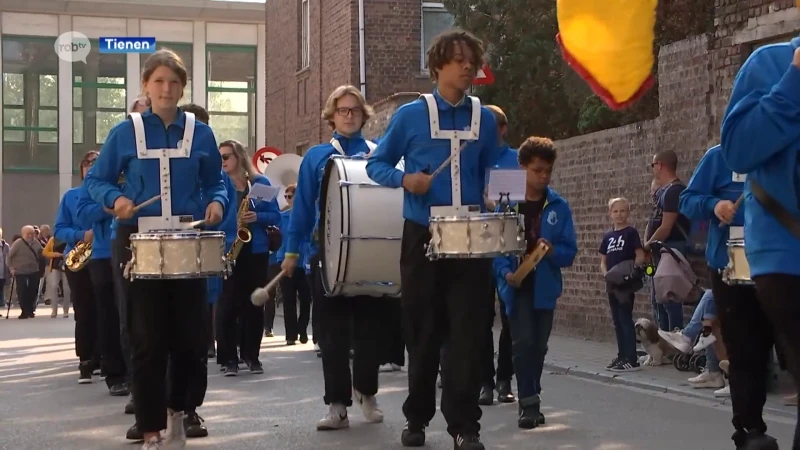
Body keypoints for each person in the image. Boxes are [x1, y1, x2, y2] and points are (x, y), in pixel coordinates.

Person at [83, 48, 227, 450]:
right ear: (146, 85)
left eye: (174, 82)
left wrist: (218, 203)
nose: (166, 89)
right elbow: (96, 179)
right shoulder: (124, 132)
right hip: (136, 239)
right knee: (145, 336)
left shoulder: (201, 133)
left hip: (186, 238)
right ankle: (149, 428)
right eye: (159, 81)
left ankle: (179, 412)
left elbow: (216, 181)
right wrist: (116, 199)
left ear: (183, 87)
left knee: (191, 337)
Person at [366, 29, 499, 449]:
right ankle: (417, 417)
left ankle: (464, 426)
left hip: (471, 238)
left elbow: (495, 168)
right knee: (423, 333)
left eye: (472, 60)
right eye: (458, 59)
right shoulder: (411, 116)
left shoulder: (485, 119)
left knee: (468, 334)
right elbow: (376, 164)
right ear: (438, 66)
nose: (467, 66)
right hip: (422, 236)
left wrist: (498, 192)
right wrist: (406, 180)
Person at [283, 84, 385, 431]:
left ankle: (366, 392)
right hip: (325, 254)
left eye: (355, 110)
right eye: (343, 110)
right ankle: (337, 405)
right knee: (331, 335)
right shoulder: (316, 156)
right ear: (332, 116)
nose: (349, 115)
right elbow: (302, 207)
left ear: (363, 115)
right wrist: (292, 251)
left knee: (370, 331)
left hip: (370, 254)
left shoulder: (377, 153)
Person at [686, 149, 781, 446]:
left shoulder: (782, 153)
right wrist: (714, 205)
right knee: (743, 350)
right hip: (730, 267)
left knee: (787, 346)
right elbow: (688, 200)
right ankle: (750, 430)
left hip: (779, 262)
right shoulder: (718, 158)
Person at [492, 137, 577, 429]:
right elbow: (497, 249)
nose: (543, 176)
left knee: (539, 347)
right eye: (537, 170)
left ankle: (532, 392)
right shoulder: (507, 204)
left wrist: (552, 252)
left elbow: (569, 251)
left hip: (545, 288)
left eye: (548, 171)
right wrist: (505, 273)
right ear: (522, 168)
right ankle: (528, 404)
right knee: (523, 343)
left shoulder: (559, 206)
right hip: (517, 288)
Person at [216, 139, 281, 376]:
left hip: (256, 250)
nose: (222, 161)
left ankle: (251, 356)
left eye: (226, 156)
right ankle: (229, 358)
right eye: (220, 157)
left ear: (239, 157)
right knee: (227, 305)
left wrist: (258, 217)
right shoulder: (218, 185)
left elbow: (276, 215)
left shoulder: (259, 183)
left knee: (254, 304)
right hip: (228, 249)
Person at [77, 177, 130, 397]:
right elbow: (83, 214)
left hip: (134, 247)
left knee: (133, 313)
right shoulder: (95, 180)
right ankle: (115, 375)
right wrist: (110, 206)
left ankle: (138, 374)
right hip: (102, 255)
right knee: (109, 316)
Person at [479, 104, 517, 406]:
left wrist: (496, 205)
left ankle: (505, 379)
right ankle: (485, 382)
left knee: (510, 318)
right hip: (478, 247)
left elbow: (516, 204)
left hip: (505, 247)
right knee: (480, 319)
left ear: (503, 129)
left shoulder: (514, 160)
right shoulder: (470, 160)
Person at [54, 151, 98, 382]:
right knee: (84, 311)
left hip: (104, 257)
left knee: (108, 310)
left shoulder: (112, 196)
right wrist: (82, 235)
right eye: (87, 163)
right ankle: (86, 360)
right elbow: (59, 230)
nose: (90, 166)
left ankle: (105, 358)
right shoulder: (71, 197)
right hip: (78, 258)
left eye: (96, 162)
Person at [644, 150, 690, 331]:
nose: (653, 169)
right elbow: (653, 221)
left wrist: (647, 246)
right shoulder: (664, 192)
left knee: (670, 298)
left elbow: (666, 227)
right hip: (660, 251)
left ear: (660, 165)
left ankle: (673, 338)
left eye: (653, 165)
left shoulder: (675, 191)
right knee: (659, 300)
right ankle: (662, 338)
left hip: (671, 249)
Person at [599, 197, 645, 372]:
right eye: (615, 211)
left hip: (625, 284)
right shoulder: (608, 236)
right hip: (612, 283)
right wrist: (607, 274)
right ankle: (622, 355)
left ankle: (631, 359)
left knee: (625, 318)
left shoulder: (631, 233)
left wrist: (632, 271)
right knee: (617, 320)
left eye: (622, 211)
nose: (619, 214)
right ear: (610, 213)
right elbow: (603, 261)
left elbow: (639, 255)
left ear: (628, 213)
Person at [275, 184, 312, 345]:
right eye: (286, 197)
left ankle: (302, 329)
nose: (288, 200)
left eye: (290, 197)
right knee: (288, 299)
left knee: (305, 299)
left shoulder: (308, 217)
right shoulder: (282, 217)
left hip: (303, 262)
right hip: (284, 260)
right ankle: (290, 335)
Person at [7, 226, 43, 319]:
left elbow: (41, 254)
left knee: (33, 290)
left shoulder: (36, 243)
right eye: (28, 234)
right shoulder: (18, 243)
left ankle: (30, 310)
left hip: (34, 270)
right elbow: (9, 256)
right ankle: (24, 311)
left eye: (32, 233)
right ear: (23, 234)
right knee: (22, 291)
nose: (30, 235)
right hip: (20, 271)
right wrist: (11, 268)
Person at [41, 235, 70, 318]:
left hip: (67, 264)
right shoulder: (53, 239)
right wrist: (55, 254)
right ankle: (54, 310)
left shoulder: (69, 237)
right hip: (55, 265)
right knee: (53, 286)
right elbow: (45, 252)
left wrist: (68, 254)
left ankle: (66, 310)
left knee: (67, 288)